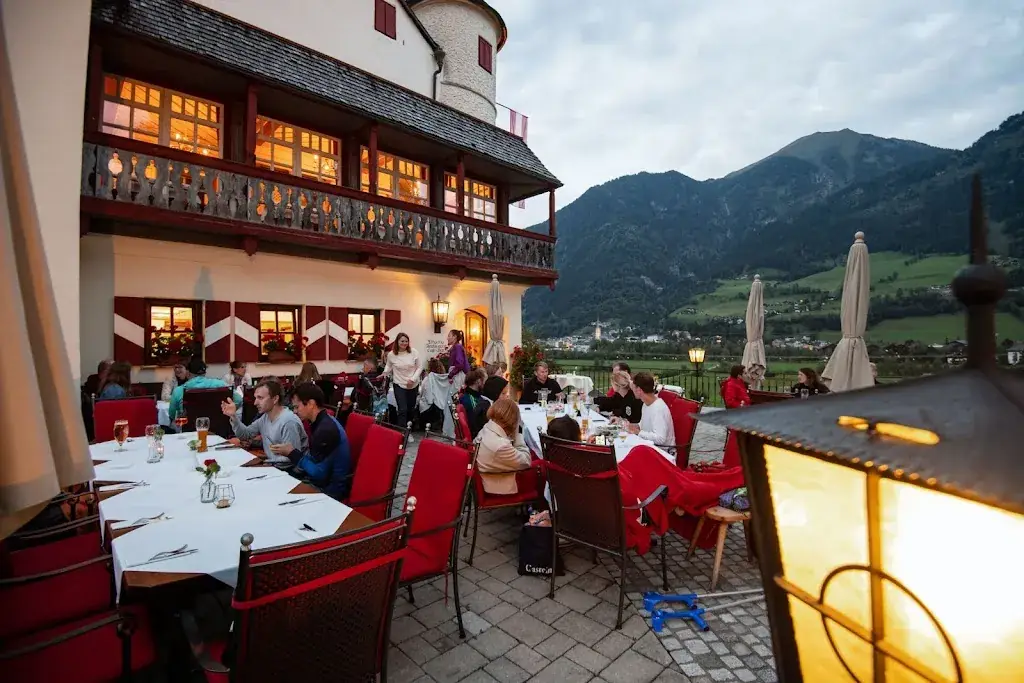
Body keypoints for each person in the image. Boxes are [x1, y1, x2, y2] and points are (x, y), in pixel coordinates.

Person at [221, 379, 307, 464]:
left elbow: (291, 459)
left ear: (275, 399)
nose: (255, 403)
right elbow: (245, 435)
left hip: (291, 474)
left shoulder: (288, 421)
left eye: (260, 398)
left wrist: (263, 462)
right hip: (275, 468)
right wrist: (233, 416)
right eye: (256, 398)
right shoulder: (265, 417)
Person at [288, 383, 351, 499]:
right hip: (325, 483)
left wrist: (292, 453)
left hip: (331, 491)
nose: (295, 412)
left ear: (311, 404)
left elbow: (319, 474)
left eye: (297, 407)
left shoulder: (325, 430)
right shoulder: (323, 421)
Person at [476, 398, 543, 496]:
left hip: (491, 473)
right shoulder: (500, 446)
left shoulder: (488, 427)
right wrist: (517, 433)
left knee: (535, 453)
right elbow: (526, 461)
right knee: (543, 467)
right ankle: (543, 505)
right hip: (499, 485)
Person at [625, 371, 674, 447]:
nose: (632, 391)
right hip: (649, 446)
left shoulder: (658, 408)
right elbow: (643, 425)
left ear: (639, 390)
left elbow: (660, 439)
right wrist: (630, 425)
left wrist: (638, 432)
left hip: (662, 451)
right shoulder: (646, 403)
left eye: (633, 388)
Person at [384, 332, 422, 429]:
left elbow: (419, 367)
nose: (404, 343)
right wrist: (384, 373)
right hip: (399, 384)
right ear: (397, 342)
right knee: (402, 409)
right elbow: (388, 365)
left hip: (413, 384)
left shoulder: (414, 352)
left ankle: (408, 429)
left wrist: (413, 379)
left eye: (406, 341)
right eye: (402, 341)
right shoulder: (391, 355)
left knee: (410, 409)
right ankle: (402, 432)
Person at [460, 368, 491, 438]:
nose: (484, 384)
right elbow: (476, 422)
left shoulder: (470, 396)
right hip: (478, 436)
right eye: (484, 382)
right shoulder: (470, 400)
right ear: (478, 381)